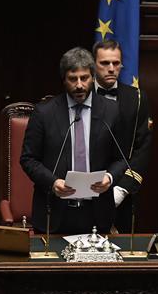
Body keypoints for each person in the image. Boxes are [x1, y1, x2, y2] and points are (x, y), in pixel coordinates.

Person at [20, 47, 127, 234]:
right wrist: (53, 182)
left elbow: (122, 157)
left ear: (93, 77)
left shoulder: (111, 111)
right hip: (54, 211)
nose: (79, 85)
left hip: (97, 212)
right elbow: (28, 159)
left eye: (84, 78)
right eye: (73, 79)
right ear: (63, 80)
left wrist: (109, 178)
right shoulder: (44, 113)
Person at [92, 40, 152, 232]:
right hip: (85, 190)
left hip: (122, 190)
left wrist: (122, 189)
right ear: (93, 64)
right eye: (105, 63)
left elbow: (143, 148)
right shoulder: (80, 94)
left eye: (116, 63)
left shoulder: (137, 98)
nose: (111, 69)